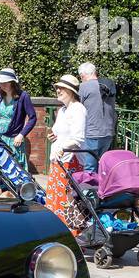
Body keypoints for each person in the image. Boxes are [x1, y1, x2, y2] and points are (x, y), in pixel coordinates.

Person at [45, 74, 88, 233]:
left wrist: (63, 148)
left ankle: (73, 236)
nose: (58, 90)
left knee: (69, 201)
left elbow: (78, 138)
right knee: (56, 200)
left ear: (71, 91)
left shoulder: (78, 109)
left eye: (61, 88)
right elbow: (61, 134)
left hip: (71, 162)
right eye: (57, 88)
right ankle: (57, 233)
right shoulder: (63, 110)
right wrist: (54, 137)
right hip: (58, 161)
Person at [77, 62, 117, 173]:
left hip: (92, 133)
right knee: (103, 168)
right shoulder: (109, 85)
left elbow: (76, 107)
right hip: (108, 132)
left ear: (82, 75)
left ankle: (89, 190)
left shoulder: (84, 87)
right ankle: (101, 190)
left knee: (89, 169)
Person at [0, 68, 36, 169]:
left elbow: (33, 118)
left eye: (5, 82)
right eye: (1, 82)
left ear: (12, 82)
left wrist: (21, 135)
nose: (2, 85)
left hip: (14, 140)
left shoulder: (23, 96)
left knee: (14, 169)